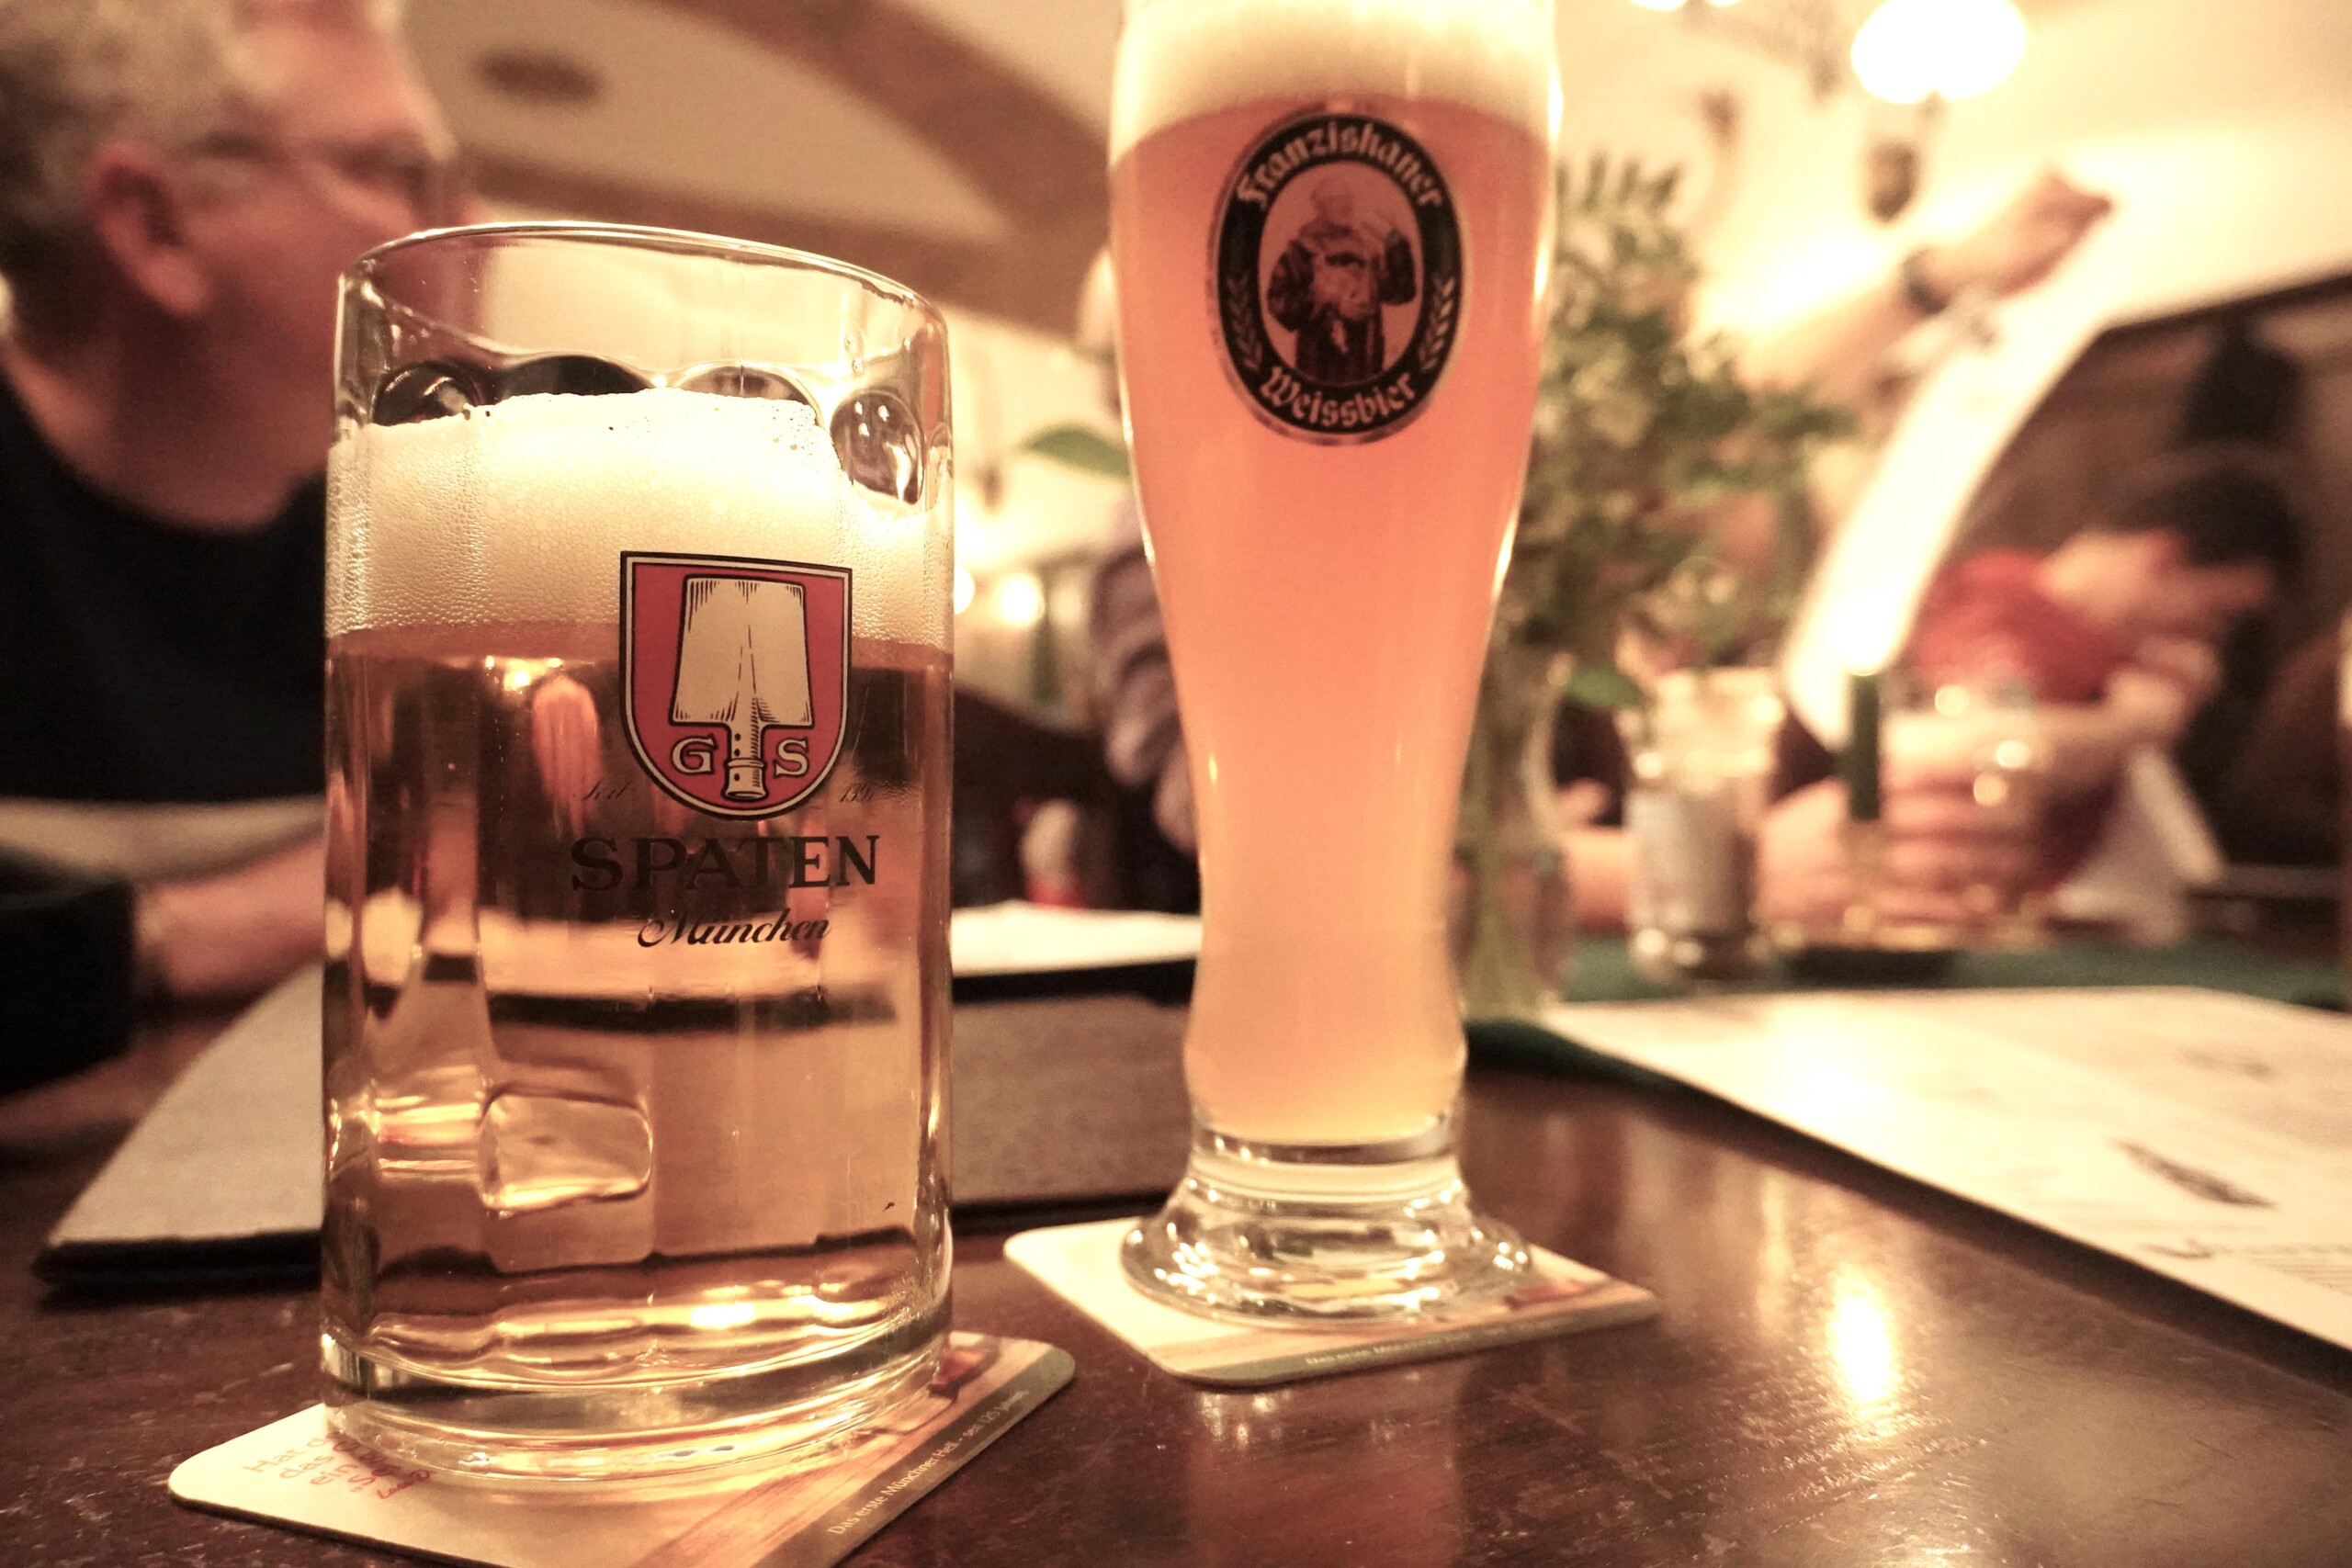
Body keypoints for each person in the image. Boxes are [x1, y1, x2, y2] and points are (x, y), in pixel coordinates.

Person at [0, 0, 468, 1059]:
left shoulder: (411, 555)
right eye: (402, 172)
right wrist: (213, 929)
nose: (461, 229)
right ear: (154, 225)